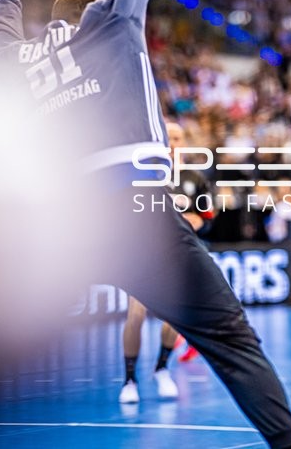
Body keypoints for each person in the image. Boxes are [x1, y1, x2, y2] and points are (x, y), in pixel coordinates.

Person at [0, 0, 291, 446]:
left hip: (65, 231)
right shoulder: (113, 18)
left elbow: (2, 52)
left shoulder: (27, 61)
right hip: (135, 213)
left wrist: (6, 1)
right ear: (92, 9)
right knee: (228, 335)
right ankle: (288, 443)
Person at [119, 121, 210, 403]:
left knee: (173, 317)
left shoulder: (194, 178)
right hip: (144, 254)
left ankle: (161, 369)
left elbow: (205, 216)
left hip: (177, 254)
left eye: (178, 137)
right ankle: (130, 379)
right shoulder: (142, 174)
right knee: (135, 315)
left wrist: (196, 221)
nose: (173, 142)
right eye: (168, 137)